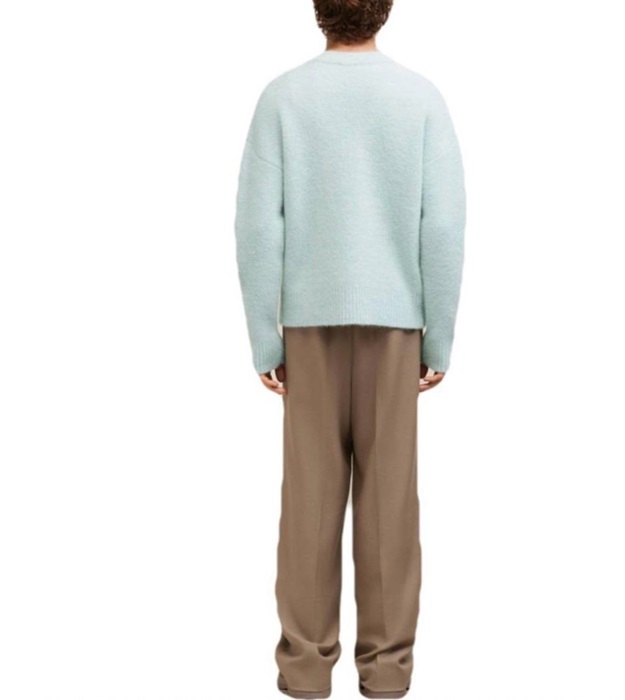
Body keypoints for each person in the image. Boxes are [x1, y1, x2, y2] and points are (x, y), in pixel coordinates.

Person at [233, 1, 466, 697]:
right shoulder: (419, 98)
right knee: (390, 502)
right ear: (384, 12)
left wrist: (265, 335)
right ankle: (387, 672)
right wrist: (438, 332)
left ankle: (305, 670)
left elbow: (257, 225)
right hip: (397, 328)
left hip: (308, 327)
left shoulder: (284, 97)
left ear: (319, 12)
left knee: (308, 500)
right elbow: (442, 225)